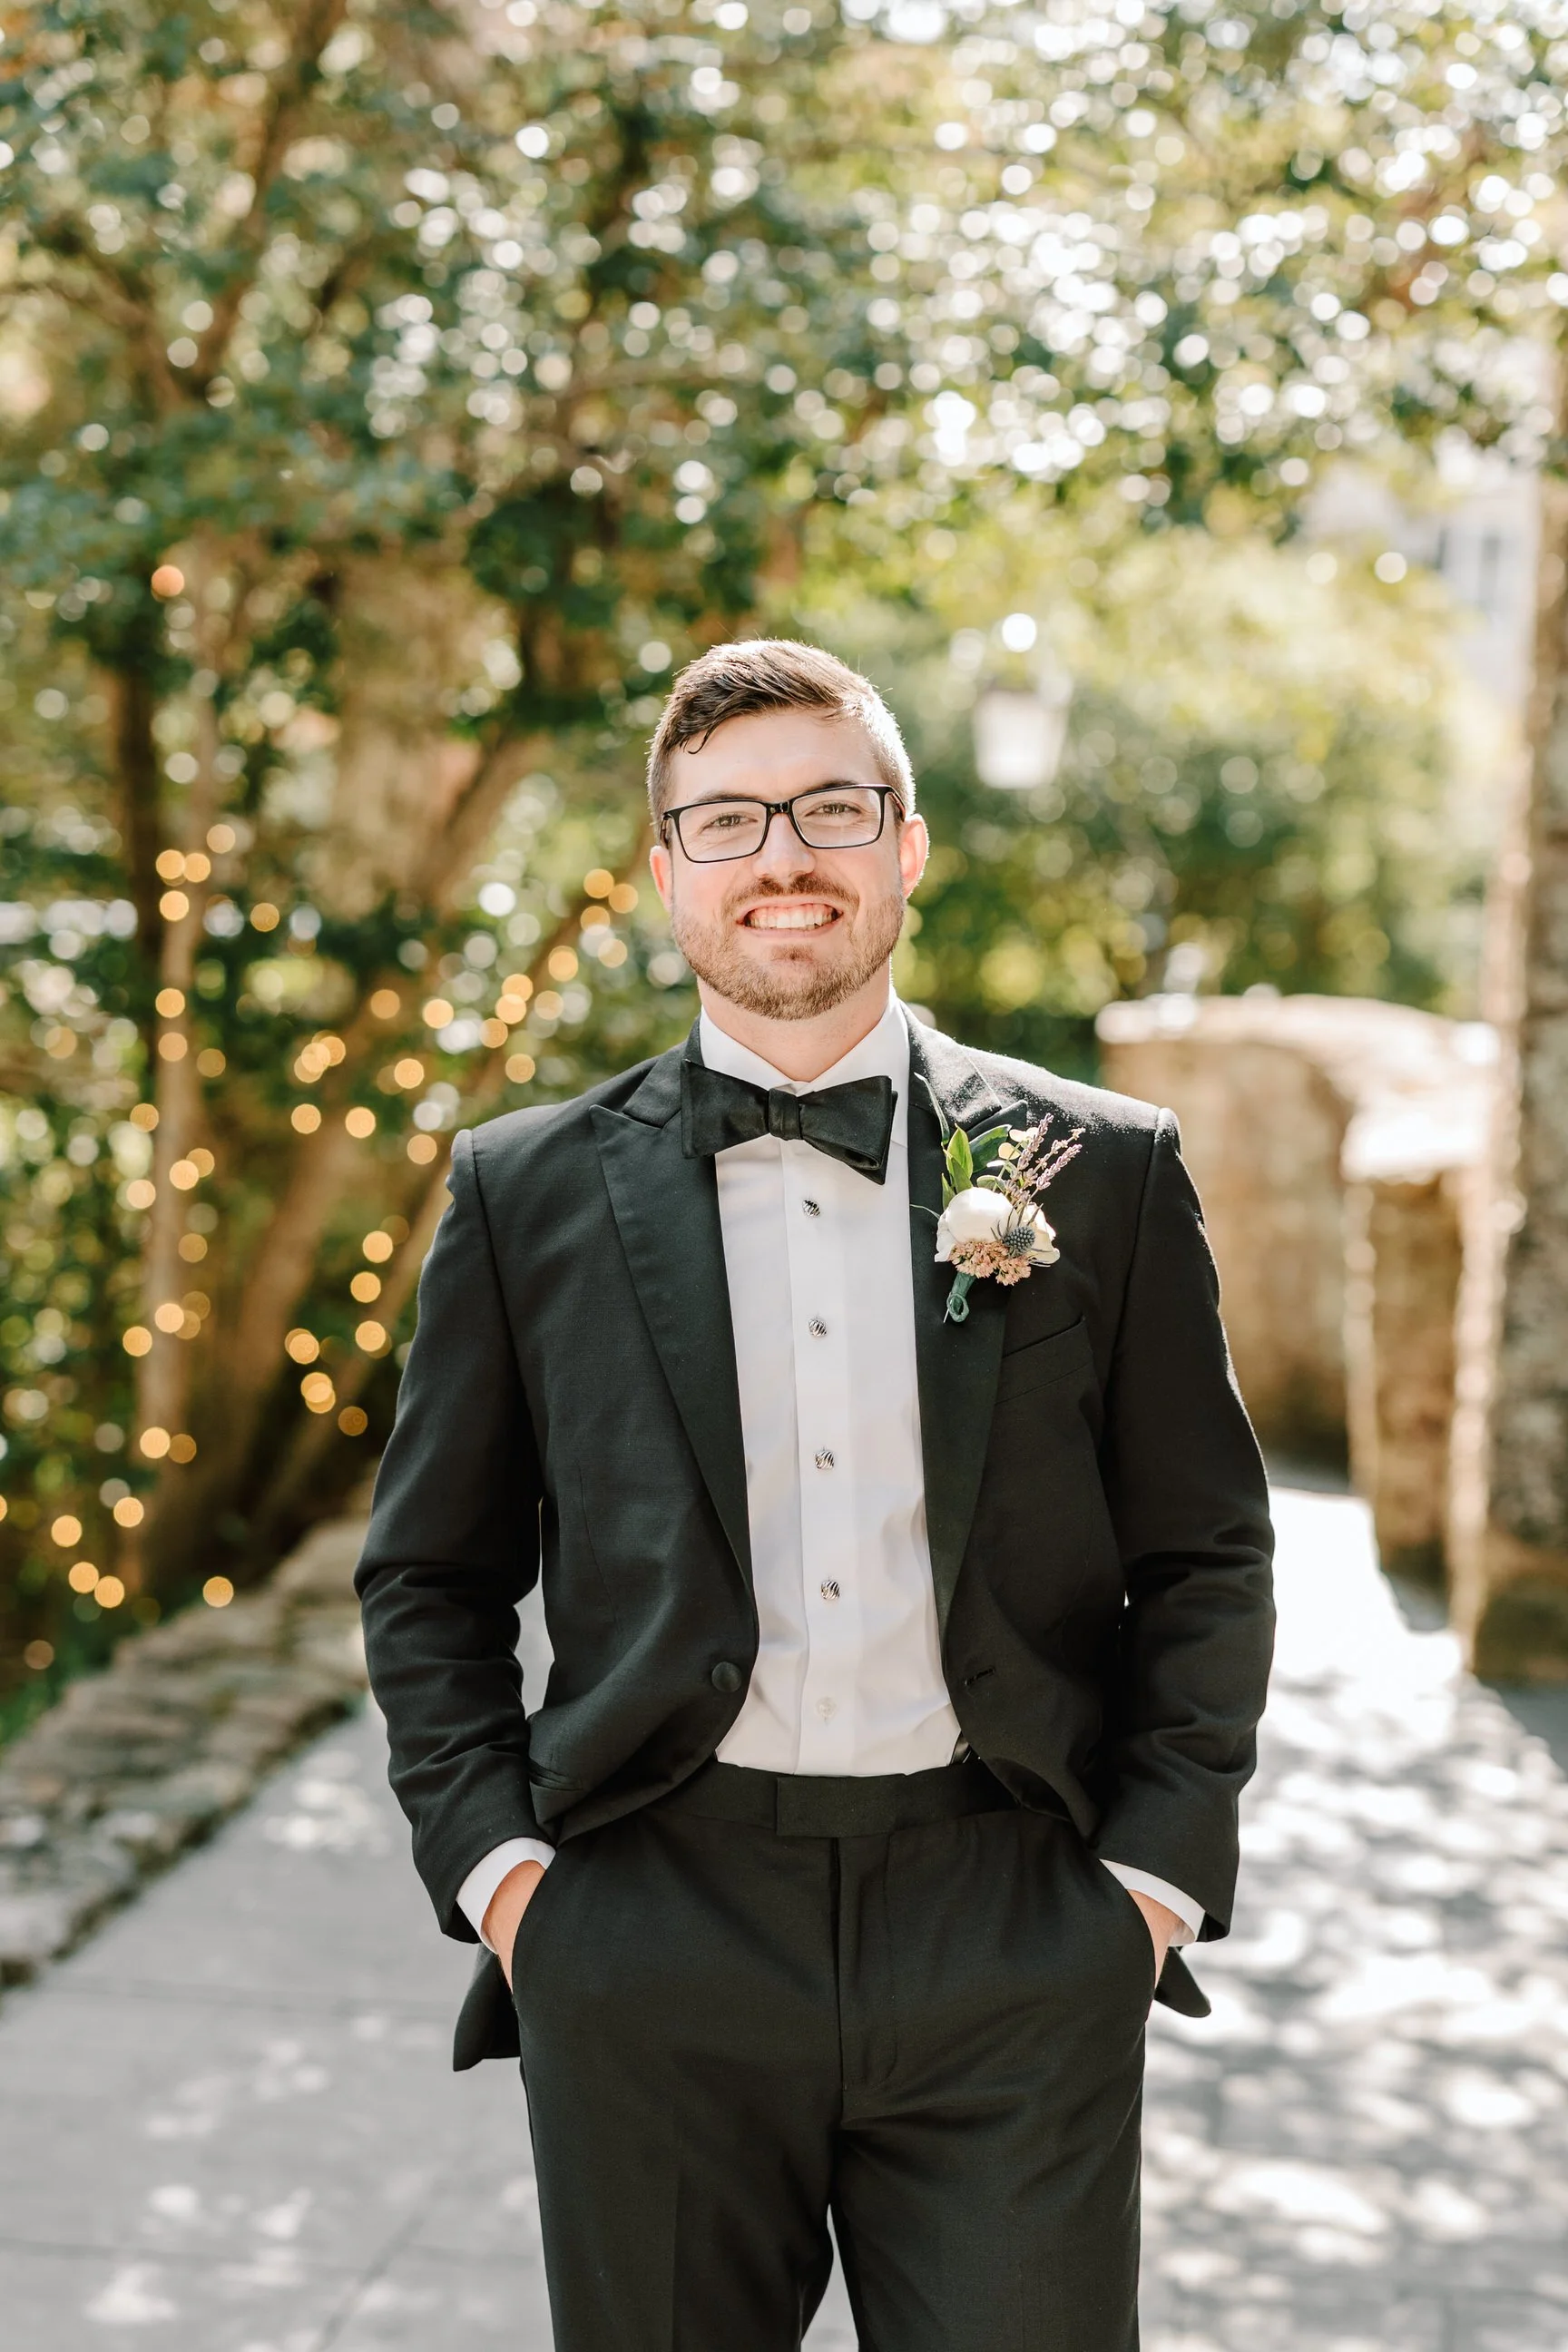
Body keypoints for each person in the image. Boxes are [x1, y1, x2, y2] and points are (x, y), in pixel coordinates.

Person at [356, 638, 1275, 2352]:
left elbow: (1208, 1552)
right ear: (666, 874)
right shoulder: (521, 1192)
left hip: (1014, 1930)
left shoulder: (1106, 1173)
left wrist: (1147, 1886)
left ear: (906, 846)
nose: (783, 857)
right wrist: (505, 1881)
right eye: (727, 820)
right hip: (651, 1927)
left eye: (831, 809)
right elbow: (428, 1578)